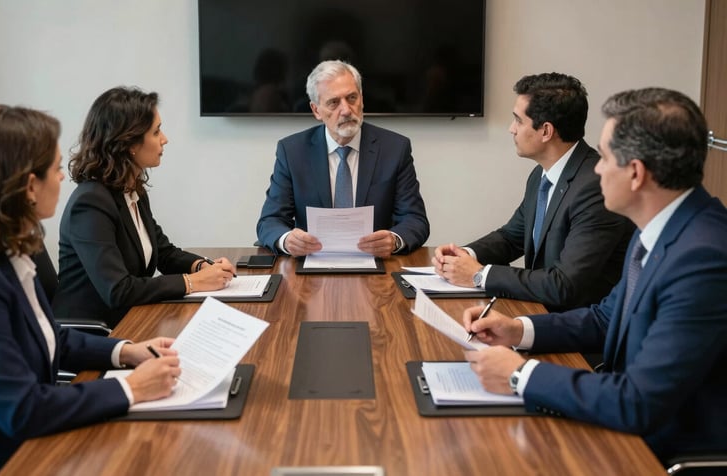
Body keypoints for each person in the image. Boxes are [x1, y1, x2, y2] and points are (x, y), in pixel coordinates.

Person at [463, 88, 727, 464]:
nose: (597, 168)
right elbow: (606, 317)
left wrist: (521, 375)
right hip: (621, 419)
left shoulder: (703, 258)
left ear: (636, 174)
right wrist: (518, 330)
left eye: (604, 157)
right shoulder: (660, 224)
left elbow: (638, 402)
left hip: (660, 450)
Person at [0, 105, 181, 473]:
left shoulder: (8, 250)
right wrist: (131, 389)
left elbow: (51, 339)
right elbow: (22, 409)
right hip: (8, 458)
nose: (64, 178)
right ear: (30, 186)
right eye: (57, 168)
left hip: (41, 437)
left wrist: (127, 352)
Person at [433, 73, 633, 311]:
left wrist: (479, 275)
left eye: (518, 120)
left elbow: (564, 284)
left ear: (546, 131)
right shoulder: (541, 175)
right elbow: (511, 237)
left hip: (578, 331)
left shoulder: (595, 188)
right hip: (540, 312)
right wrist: (464, 254)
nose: (511, 129)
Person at [53, 87, 235, 328]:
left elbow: (164, 253)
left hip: (132, 319)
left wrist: (202, 266)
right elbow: (118, 290)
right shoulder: (90, 203)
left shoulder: (131, 189)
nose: (165, 139)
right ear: (130, 142)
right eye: (156, 131)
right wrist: (194, 282)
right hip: (96, 332)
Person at [256, 60, 430, 258]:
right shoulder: (292, 151)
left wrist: (394, 240)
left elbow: (415, 220)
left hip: (378, 265)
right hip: (311, 265)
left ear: (362, 100)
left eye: (352, 98)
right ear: (316, 110)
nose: (346, 110)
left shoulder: (394, 149)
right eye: (333, 102)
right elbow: (269, 221)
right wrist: (287, 240)